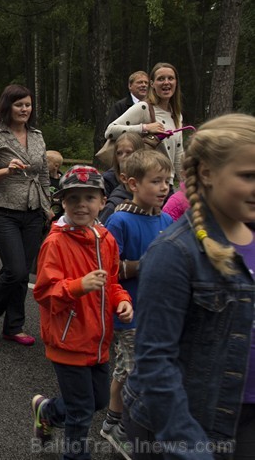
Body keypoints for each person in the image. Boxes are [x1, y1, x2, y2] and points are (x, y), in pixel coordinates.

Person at [122, 114, 255, 460]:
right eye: (248, 176)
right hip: (187, 425)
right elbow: (155, 363)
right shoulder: (174, 253)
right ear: (208, 173)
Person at [31, 165, 134, 460]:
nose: (81, 205)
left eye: (89, 197)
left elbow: (112, 282)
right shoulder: (56, 242)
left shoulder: (106, 239)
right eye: (73, 198)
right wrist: (78, 286)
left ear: (103, 201)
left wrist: (122, 301)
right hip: (68, 341)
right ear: (62, 202)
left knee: (98, 401)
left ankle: (48, 411)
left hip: (98, 341)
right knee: (81, 413)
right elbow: (44, 293)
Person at [101, 149, 173, 457]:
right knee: (136, 370)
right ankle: (129, 429)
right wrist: (148, 265)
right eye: (156, 181)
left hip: (158, 311)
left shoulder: (168, 219)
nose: (164, 187)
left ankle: (112, 421)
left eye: (168, 181)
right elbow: (108, 269)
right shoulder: (120, 221)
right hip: (127, 310)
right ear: (132, 183)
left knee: (125, 368)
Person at [0, 84, 52, 344]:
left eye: (28, 105)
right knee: (16, 270)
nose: (24, 109)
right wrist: (6, 171)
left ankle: (14, 326)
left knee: (22, 276)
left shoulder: (37, 135)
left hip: (33, 210)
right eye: (19, 104)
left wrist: (49, 206)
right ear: (7, 107)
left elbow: (42, 173)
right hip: (3, 210)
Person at [106, 62, 184, 185]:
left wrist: (185, 185)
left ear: (176, 83)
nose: (166, 82)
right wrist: (145, 128)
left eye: (170, 78)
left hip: (166, 185)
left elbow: (178, 154)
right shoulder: (143, 108)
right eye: (161, 79)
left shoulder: (177, 115)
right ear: (152, 84)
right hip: (145, 184)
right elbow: (110, 131)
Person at [98, 133, 146, 224]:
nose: (124, 157)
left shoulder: (148, 178)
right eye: (119, 153)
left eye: (129, 153)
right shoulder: (107, 180)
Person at [46, 150, 64, 218]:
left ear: (56, 166)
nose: (42, 164)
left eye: (46, 162)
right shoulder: (42, 179)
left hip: (59, 215)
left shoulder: (63, 181)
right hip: (43, 215)